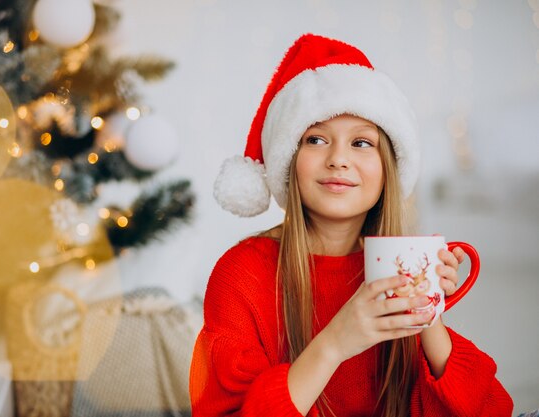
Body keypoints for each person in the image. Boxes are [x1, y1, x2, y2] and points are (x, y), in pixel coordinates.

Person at [189, 34, 513, 416]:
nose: (339, 159)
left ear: (387, 167)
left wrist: (427, 313)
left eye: (361, 143)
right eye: (316, 139)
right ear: (289, 160)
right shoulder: (241, 275)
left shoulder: (393, 266)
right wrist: (336, 342)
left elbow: (493, 409)